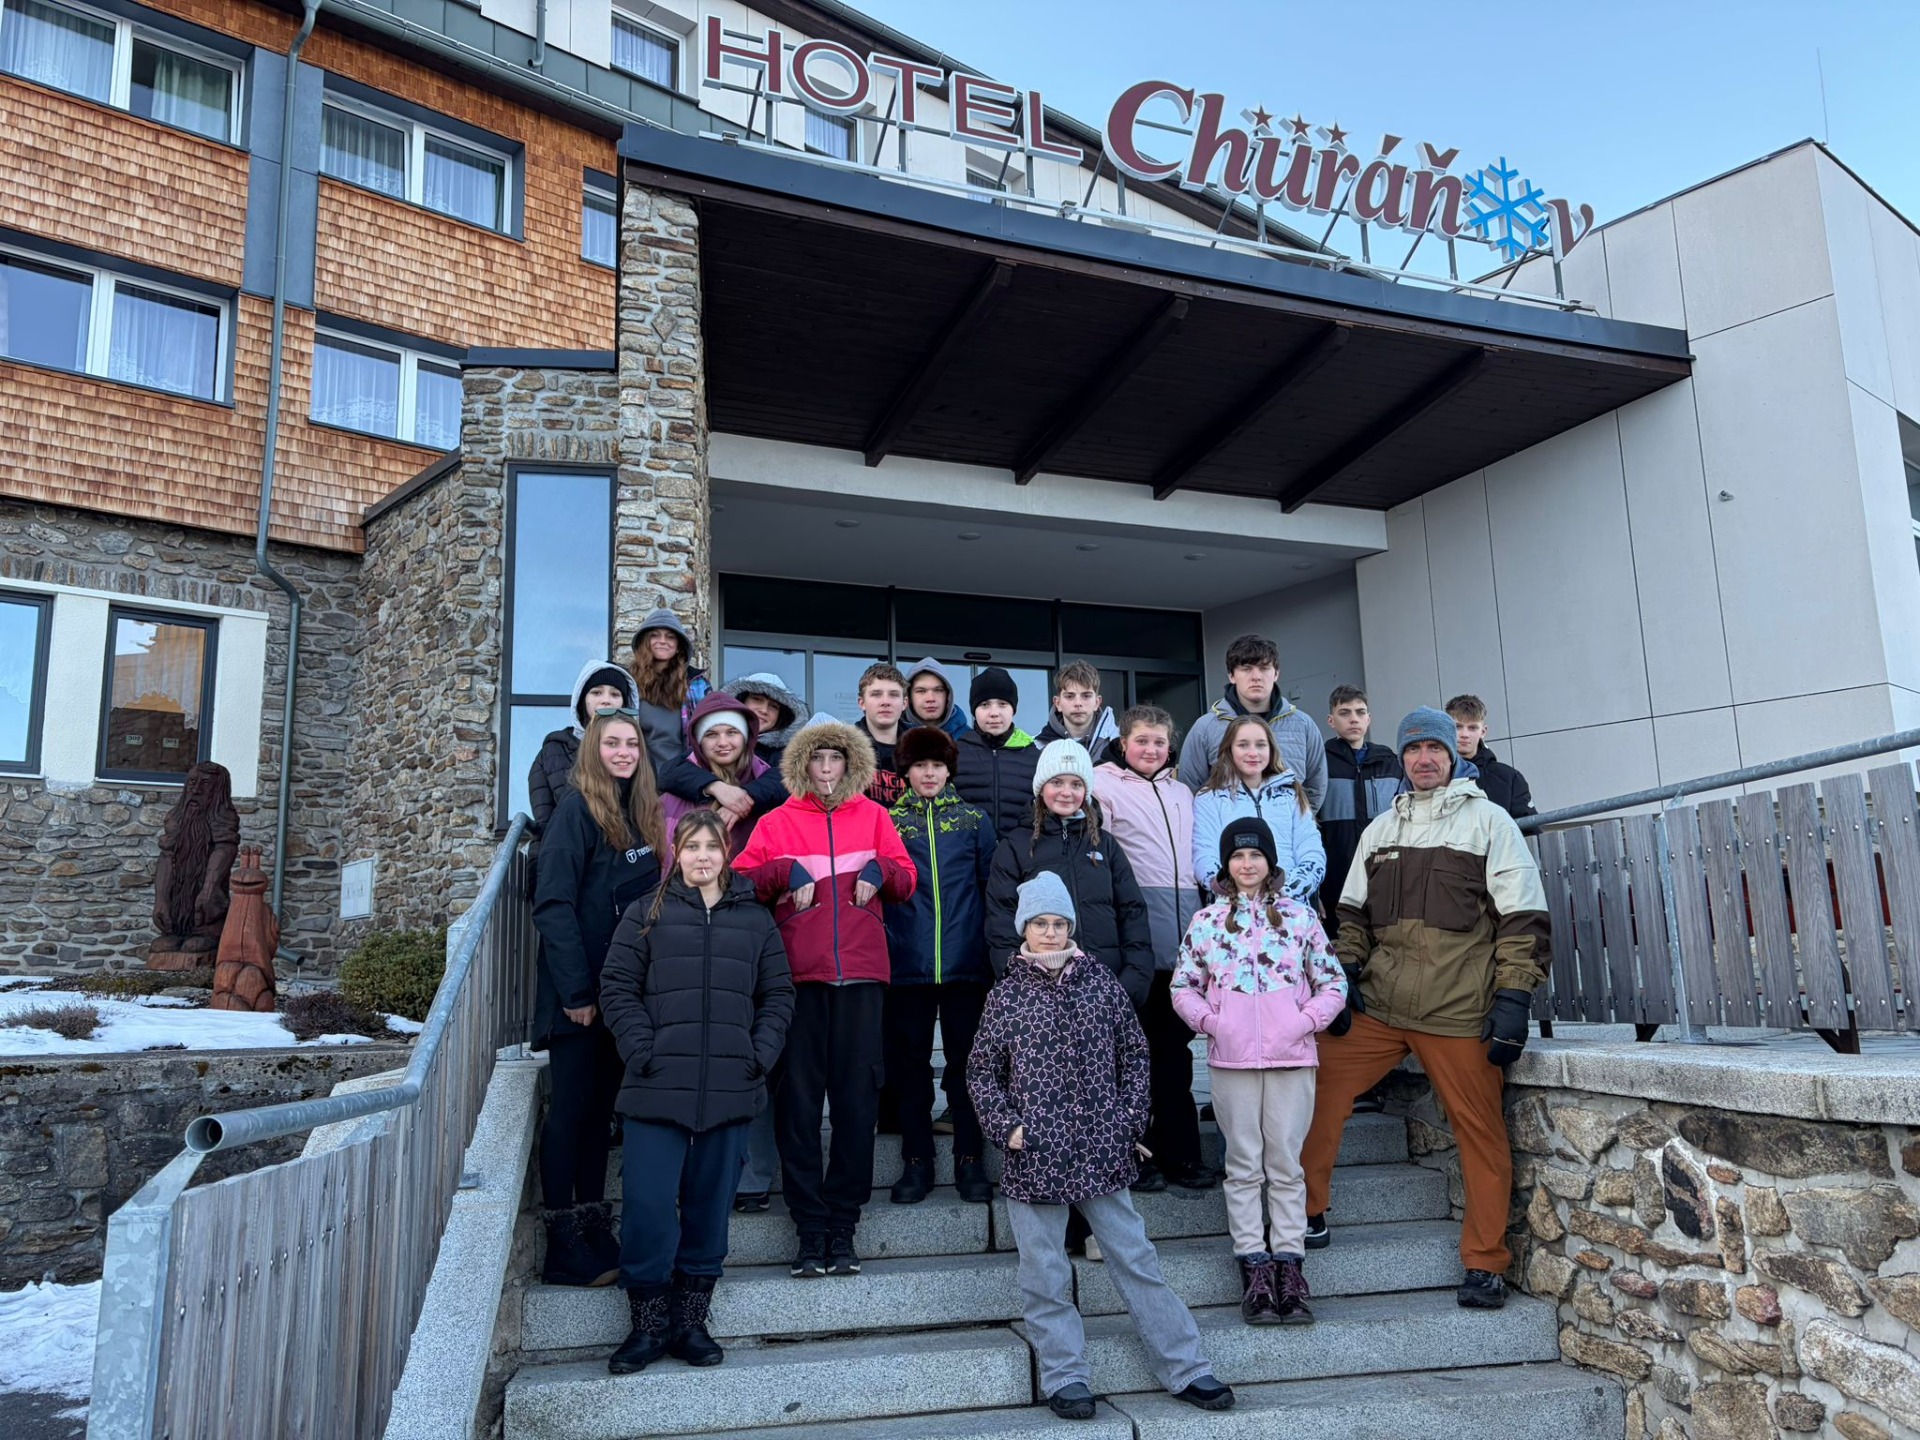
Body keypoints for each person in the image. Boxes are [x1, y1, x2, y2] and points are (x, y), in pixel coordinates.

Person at [1298, 707, 1550, 1309]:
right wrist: (1345, 973)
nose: (1424, 759)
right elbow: (1353, 916)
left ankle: (1485, 1263)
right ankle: (1304, 1212)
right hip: (1382, 1006)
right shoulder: (1381, 829)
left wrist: (1514, 996)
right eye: (1413, 750)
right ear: (1402, 759)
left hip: (1458, 1010)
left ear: (1453, 755)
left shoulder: (1489, 822)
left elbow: (1523, 919)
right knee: (1310, 1084)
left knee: (1481, 1132)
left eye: (1435, 748)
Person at [968, 875, 1235, 1421]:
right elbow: (981, 1072)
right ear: (1024, 928)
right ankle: (1065, 1376)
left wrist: (1130, 1123)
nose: (1049, 932)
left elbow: (1135, 1055)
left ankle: (1186, 1366)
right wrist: (1008, 1128)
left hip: (1101, 1148)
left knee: (1136, 1259)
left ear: (1070, 926)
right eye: (1039, 923)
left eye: (1058, 923)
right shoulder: (1005, 995)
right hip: (1035, 1155)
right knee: (1045, 1272)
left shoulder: (1101, 984)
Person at [599, 811, 795, 1374]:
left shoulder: (754, 920)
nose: (702, 856)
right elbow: (616, 986)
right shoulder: (647, 912)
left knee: (710, 1209)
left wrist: (757, 1055)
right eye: (692, 846)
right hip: (656, 1085)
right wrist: (642, 1049)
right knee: (648, 1206)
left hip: (730, 1087)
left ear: (726, 853)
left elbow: (778, 994)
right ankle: (647, 1325)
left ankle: (690, 1322)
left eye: (712, 846)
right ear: (676, 853)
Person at [735, 718, 916, 1279]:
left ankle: (843, 1226)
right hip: (798, 981)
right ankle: (809, 1228)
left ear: (852, 764)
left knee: (857, 1108)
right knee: (798, 1109)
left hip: (862, 979)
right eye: (818, 758)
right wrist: (783, 870)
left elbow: (907, 879)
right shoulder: (777, 821)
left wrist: (880, 868)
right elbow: (741, 882)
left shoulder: (877, 816)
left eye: (837, 758)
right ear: (802, 765)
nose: (828, 768)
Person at [1172, 818, 1347, 1326]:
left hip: (1292, 1057)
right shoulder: (1207, 920)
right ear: (1226, 865)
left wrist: (1302, 1022)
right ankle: (1254, 1268)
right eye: (1237, 856)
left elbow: (1332, 983)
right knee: (1244, 1165)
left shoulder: (1298, 917)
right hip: (1232, 1061)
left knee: (1286, 1165)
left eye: (1255, 855)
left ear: (1270, 862)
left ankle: (1290, 1268)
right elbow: (1183, 986)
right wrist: (1212, 1023)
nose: (1246, 864)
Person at [531, 711, 666, 1287]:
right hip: (581, 998)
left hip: (621, 996)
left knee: (599, 1117)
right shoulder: (576, 811)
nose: (623, 751)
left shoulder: (640, 814)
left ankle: (592, 1225)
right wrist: (577, 992)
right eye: (611, 743)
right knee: (570, 1114)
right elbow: (553, 905)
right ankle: (562, 1241)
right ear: (592, 749)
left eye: (631, 743)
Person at [1092, 706, 1212, 1193]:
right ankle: (1133, 1154)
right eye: (1142, 740)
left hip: (1181, 946)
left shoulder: (1182, 791)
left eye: (1160, 742)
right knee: (1130, 1056)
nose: (1151, 749)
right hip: (1135, 944)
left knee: (1174, 1054)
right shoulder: (1102, 784)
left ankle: (1181, 1153)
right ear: (1123, 743)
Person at [883, 726, 996, 1205]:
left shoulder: (973, 821)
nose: (928, 774)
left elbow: (991, 889)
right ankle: (917, 1159)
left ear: (949, 770)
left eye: (936, 765)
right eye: (919, 766)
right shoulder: (887, 821)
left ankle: (970, 1157)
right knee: (909, 1067)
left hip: (965, 965)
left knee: (967, 1064)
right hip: (905, 964)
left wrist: (990, 954)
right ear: (905, 772)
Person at [986, 739, 1155, 1012]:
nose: (1066, 792)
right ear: (1041, 787)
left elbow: (1132, 913)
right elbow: (1001, 922)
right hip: (1039, 999)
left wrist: (1127, 987)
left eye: (1076, 784)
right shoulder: (1015, 846)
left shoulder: (1105, 845)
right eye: (1057, 782)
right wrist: (1019, 986)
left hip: (1105, 995)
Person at [1177, 634, 1327, 813]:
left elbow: (1315, 786)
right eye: (1246, 669)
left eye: (1264, 668)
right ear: (1232, 675)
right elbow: (1190, 790)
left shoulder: (1303, 725)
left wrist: (1298, 822)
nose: (1256, 677)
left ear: (1276, 674)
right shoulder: (1206, 728)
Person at [1190, 714, 1325, 904]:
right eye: (1243, 745)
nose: (1253, 753)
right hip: (1232, 906)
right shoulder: (1209, 798)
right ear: (1229, 749)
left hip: (1289, 905)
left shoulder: (1290, 795)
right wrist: (1236, 893)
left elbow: (1311, 851)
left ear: (1271, 749)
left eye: (1261, 745)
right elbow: (1204, 854)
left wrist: (1286, 892)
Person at [660, 695, 784, 856]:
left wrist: (745, 800)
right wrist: (715, 787)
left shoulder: (771, 786)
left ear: (745, 738)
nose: (723, 743)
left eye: (732, 732)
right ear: (698, 742)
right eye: (711, 734)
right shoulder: (671, 796)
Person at [1317, 686, 1404, 914]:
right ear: (1331, 720)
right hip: (1336, 879)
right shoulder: (1319, 765)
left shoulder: (1391, 763)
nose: (1353, 719)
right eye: (1344, 713)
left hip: (1386, 875)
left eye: (1360, 712)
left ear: (1368, 719)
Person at [527, 660, 638, 835]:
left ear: (625, 704)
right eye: (596, 692)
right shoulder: (553, 752)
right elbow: (545, 826)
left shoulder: (636, 752)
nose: (606, 701)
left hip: (623, 847)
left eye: (615, 694)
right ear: (582, 699)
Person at [954, 667, 1042, 842]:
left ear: (1013, 709)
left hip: (1020, 854)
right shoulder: (955, 754)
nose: (994, 713)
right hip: (967, 853)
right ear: (974, 710)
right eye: (985, 705)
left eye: (1002, 704)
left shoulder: (1035, 757)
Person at [628, 608, 710, 776]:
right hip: (638, 778)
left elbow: (709, 733)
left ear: (679, 646)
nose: (663, 641)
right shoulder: (628, 682)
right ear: (645, 642)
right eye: (655, 635)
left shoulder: (697, 685)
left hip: (683, 777)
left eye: (670, 637)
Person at [1445, 694, 1536, 821]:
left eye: (1472, 728)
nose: (1464, 734)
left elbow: (1529, 828)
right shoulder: (1430, 775)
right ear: (1446, 729)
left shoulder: (1510, 778)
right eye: (1458, 727)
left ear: (1483, 732)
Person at [854, 662, 911, 808]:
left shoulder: (924, 747)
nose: (885, 702)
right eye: (876, 694)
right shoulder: (845, 748)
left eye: (894, 695)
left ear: (904, 703)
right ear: (862, 703)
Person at [724, 671, 808, 767]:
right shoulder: (714, 738)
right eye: (757, 699)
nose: (764, 710)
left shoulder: (786, 758)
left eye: (773, 706)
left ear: (780, 718)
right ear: (741, 701)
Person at [1035, 659, 1120, 754]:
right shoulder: (1036, 748)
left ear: (1097, 702)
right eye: (1069, 696)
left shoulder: (1121, 744)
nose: (1078, 703)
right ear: (1058, 703)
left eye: (1086, 696)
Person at [903, 657, 971, 740]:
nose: (930, 698)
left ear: (948, 696)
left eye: (938, 690)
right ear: (908, 697)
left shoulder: (971, 741)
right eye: (921, 691)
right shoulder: (892, 738)